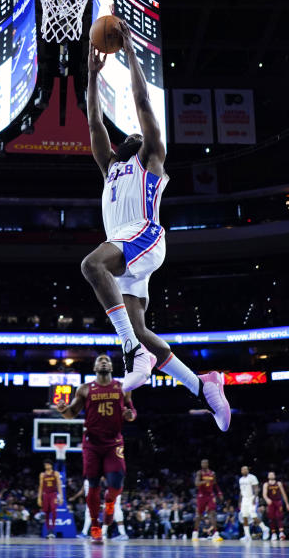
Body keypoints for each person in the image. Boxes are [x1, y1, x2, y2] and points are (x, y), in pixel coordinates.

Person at [82, 21, 230, 430]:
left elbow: (143, 103)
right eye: (126, 132)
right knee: (143, 328)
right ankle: (203, 385)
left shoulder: (151, 158)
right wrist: (92, 78)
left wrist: (129, 54)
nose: (130, 131)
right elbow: (95, 125)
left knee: (91, 266)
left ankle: (131, 351)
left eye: (135, 131)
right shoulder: (111, 166)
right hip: (126, 248)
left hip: (144, 236)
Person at [56, 354, 136, 544]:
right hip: (92, 444)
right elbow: (71, 414)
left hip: (113, 443)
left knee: (116, 485)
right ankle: (95, 526)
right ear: (94, 367)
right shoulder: (84, 389)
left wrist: (129, 415)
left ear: (111, 366)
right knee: (92, 486)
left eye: (107, 360)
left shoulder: (123, 387)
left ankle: (109, 504)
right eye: (100, 360)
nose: (103, 362)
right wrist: (62, 410)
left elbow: (132, 411)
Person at [193, 459, 223, 540]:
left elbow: (215, 484)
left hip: (210, 495)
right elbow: (196, 483)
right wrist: (204, 481)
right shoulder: (199, 473)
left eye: (205, 463)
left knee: (212, 513)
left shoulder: (212, 473)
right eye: (202, 463)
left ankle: (216, 533)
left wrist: (219, 493)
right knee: (199, 515)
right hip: (201, 495)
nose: (203, 464)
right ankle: (195, 533)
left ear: (208, 464)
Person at [238, 466, 268, 541]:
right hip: (244, 499)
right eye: (242, 469)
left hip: (252, 498)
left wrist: (255, 497)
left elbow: (256, 488)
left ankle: (265, 529)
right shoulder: (240, 479)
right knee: (244, 517)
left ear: (248, 470)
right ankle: (247, 535)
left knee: (253, 515)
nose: (244, 471)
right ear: (241, 471)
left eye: (245, 469)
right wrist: (240, 501)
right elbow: (241, 491)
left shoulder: (252, 477)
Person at [37, 459, 62, 539]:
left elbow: (59, 486)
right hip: (45, 495)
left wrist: (61, 497)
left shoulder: (56, 473)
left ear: (51, 465)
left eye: (47, 464)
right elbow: (40, 487)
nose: (46, 466)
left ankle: (53, 529)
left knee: (54, 510)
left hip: (53, 494)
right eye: (45, 465)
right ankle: (49, 531)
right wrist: (39, 498)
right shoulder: (42, 474)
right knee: (46, 513)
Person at [263, 471, 289, 540]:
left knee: (279, 517)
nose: (271, 475)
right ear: (268, 476)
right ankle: (273, 533)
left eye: (272, 474)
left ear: (274, 476)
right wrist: (267, 499)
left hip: (278, 502)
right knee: (272, 518)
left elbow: (283, 494)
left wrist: (287, 503)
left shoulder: (278, 483)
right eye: (270, 474)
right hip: (271, 502)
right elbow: (264, 494)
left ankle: (281, 533)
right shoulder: (266, 484)